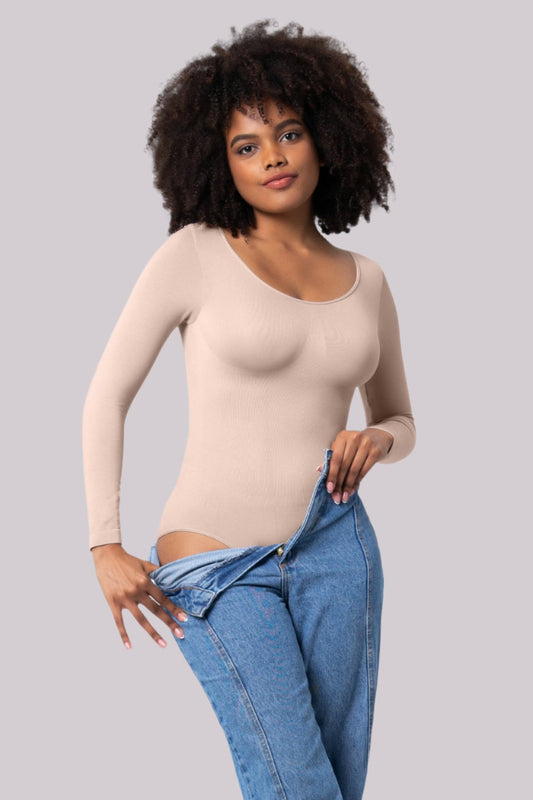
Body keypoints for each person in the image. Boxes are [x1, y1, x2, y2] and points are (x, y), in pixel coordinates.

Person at [82, 19, 416, 800]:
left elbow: (400, 418)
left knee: (338, 781)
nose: (272, 156)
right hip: (215, 560)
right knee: (294, 779)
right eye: (246, 144)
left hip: (337, 551)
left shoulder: (367, 279)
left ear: (326, 139)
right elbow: (106, 396)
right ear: (217, 160)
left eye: (288, 133)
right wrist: (103, 544)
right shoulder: (194, 254)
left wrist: (376, 439)